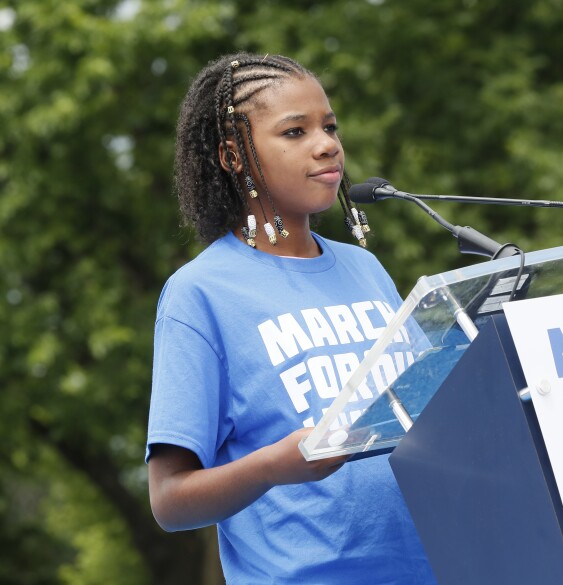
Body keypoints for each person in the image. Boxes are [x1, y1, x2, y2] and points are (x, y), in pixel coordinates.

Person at [146, 52, 437, 584]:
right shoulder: (199, 293)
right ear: (234, 155)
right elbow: (169, 501)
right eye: (295, 132)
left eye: (329, 127)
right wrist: (273, 466)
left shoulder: (366, 268)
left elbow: (425, 415)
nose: (326, 144)